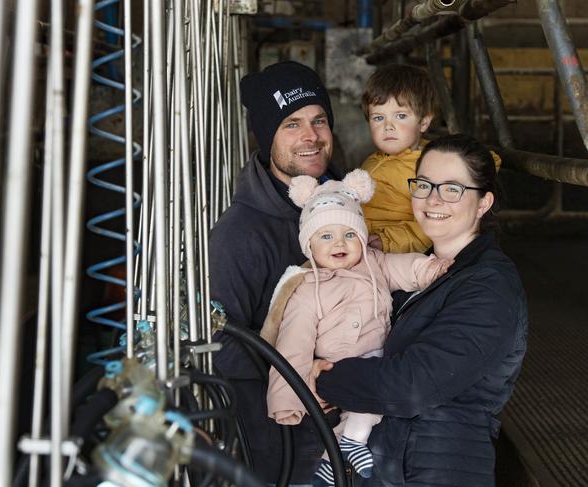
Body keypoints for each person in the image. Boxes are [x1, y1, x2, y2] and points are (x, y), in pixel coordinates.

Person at [313, 134, 529, 486]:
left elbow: (412, 385)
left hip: (439, 467)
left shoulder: (489, 286)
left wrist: (322, 378)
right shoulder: (418, 270)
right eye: (424, 184)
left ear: (483, 203)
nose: (433, 199)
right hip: (395, 461)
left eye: (453, 189)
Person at [260, 169, 451, 486]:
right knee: (366, 405)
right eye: (326, 236)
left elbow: (404, 267)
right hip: (337, 367)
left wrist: (432, 268)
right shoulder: (308, 289)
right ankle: (346, 447)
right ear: (309, 244)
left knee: (376, 404)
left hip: (378, 361)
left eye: (350, 235)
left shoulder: (374, 263)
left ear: (362, 238)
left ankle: (336, 455)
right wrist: (287, 399)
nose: (340, 244)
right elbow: (292, 346)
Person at [208, 61, 340, 484]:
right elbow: (222, 347)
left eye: (319, 120)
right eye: (291, 124)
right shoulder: (241, 232)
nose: (311, 137)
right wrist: (304, 373)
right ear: (266, 138)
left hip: (352, 429)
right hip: (284, 447)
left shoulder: (347, 207)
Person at [360, 64, 501, 254]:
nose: (388, 126)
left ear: (424, 122)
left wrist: (388, 240)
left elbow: (432, 223)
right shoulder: (374, 160)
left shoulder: (431, 169)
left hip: (396, 254)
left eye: (400, 116)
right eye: (378, 118)